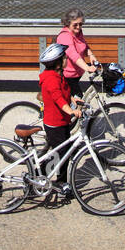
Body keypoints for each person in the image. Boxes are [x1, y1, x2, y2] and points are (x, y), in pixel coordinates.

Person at [39, 42, 82, 196]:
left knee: (63, 152)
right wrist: (71, 111)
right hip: (54, 123)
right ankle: (41, 175)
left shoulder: (58, 76)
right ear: (57, 63)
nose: (66, 60)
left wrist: (73, 100)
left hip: (62, 122)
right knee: (60, 153)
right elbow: (58, 99)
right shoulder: (51, 79)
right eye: (64, 58)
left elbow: (64, 93)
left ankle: (61, 181)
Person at [56, 8, 100, 98]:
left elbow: (83, 45)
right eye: (75, 25)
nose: (78, 27)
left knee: (73, 101)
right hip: (66, 75)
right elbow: (73, 55)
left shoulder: (78, 33)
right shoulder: (65, 36)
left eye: (80, 24)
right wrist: (87, 67)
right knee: (77, 100)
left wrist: (91, 55)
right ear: (68, 23)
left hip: (76, 74)